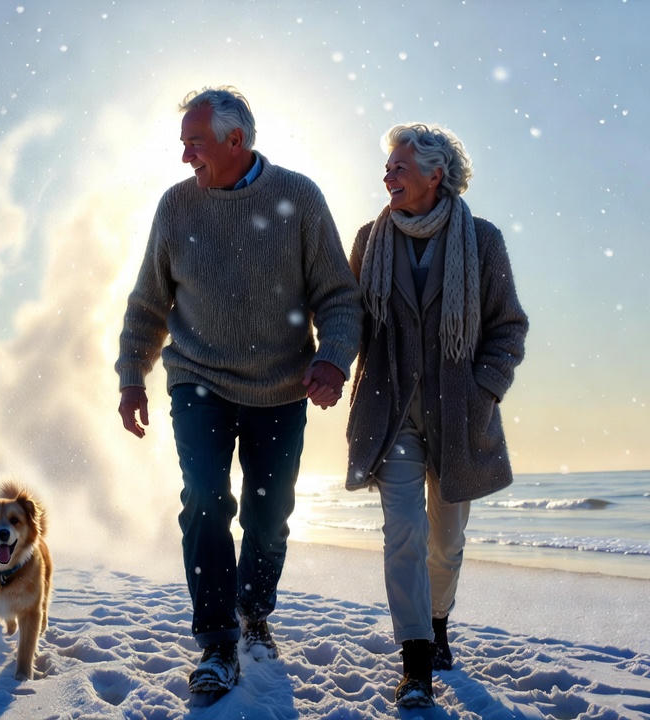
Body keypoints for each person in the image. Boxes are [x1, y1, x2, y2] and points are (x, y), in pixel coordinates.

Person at [115, 86, 362, 704]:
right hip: (197, 378)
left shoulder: (299, 198)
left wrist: (332, 359)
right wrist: (130, 375)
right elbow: (149, 301)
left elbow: (338, 296)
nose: (185, 158)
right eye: (182, 145)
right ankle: (217, 641)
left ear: (236, 141)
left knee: (268, 514)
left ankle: (255, 614)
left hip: (282, 385)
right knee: (204, 496)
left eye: (194, 144)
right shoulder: (175, 207)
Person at [345, 124, 528, 707]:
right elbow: (352, 324)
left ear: (435, 174)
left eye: (400, 167)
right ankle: (416, 660)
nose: (388, 176)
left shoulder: (483, 241)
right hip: (390, 413)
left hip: (459, 418)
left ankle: (438, 618)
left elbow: (508, 328)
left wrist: (485, 389)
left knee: (445, 543)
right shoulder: (368, 241)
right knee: (404, 532)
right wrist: (326, 365)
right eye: (388, 167)